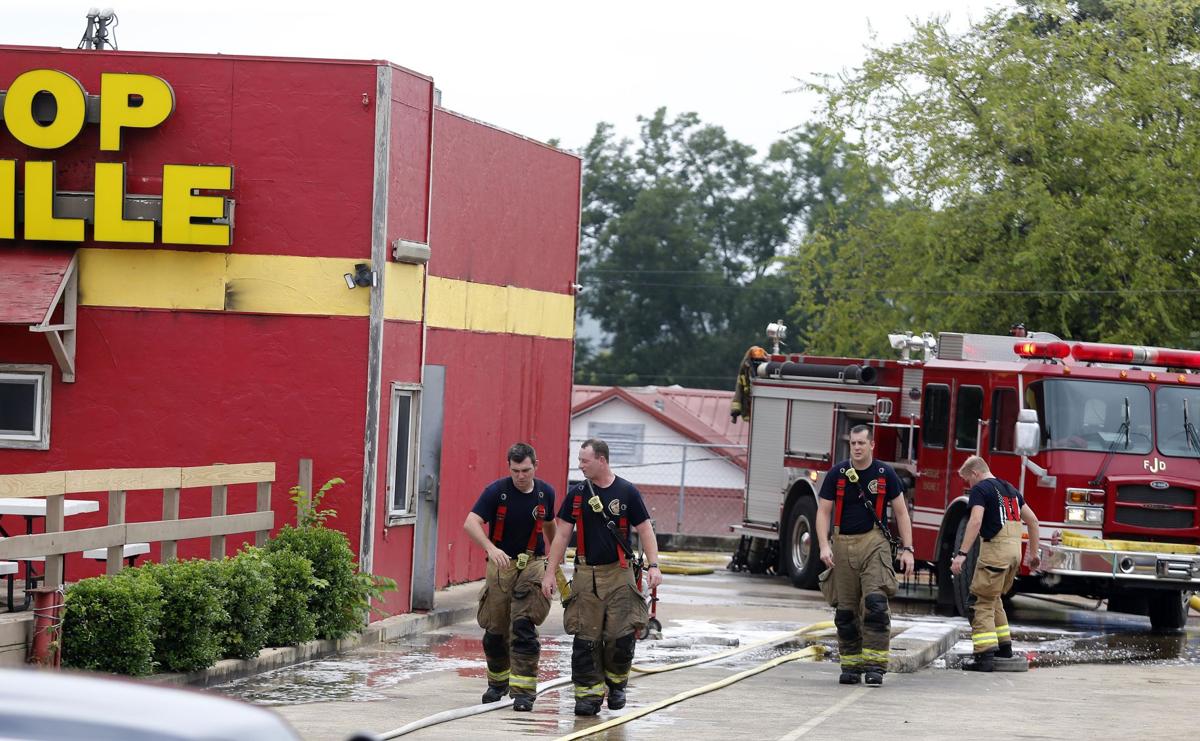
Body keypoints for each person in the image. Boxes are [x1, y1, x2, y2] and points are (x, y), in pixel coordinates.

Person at [540, 438, 662, 716]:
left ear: (602, 460)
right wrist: (550, 573)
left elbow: (645, 530)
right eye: (580, 460)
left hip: (619, 575)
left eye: (585, 460)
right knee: (586, 640)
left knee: (620, 638)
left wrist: (654, 565)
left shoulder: (627, 492)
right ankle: (588, 696)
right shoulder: (577, 494)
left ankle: (617, 686)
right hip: (586, 576)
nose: (580, 465)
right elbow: (561, 536)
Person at [815, 425, 915, 687]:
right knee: (845, 613)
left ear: (872, 446)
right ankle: (851, 665)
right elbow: (823, 512)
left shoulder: (885, 473)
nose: (857, 448)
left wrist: (908, 549)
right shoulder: (837, 473)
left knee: (875, 606)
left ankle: (875, 667)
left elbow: (902, 513)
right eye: (853, 444)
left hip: (875, 545)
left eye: (861, 443)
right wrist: (824, 546)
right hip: (842, 544)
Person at [463, 443, 557, 711]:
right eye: (515, 471)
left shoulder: (545, 493)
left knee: (524, 627)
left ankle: (524, 693)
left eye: (526, 470)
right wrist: (491, 548)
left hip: (533, 564)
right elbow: (471, 523)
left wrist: (556, 562)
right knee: (495, 631)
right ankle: (497, 683)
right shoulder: (496, 492)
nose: (520, 476)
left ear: (535, 465)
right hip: (502, 565)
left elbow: (551, 525)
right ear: (509, 468)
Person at [951, 455, 1041, 672]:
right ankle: (1004, 647)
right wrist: (1034, 553)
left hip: (996, 554)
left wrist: (962, 553)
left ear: (975, 473)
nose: (969, 485)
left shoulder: (981, 489)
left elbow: (975, 521)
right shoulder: (1010, 489)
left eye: (968, 480)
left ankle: (983, 657)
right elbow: (1033, 520)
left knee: (978, 602)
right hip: (1014, 556)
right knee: (994, 598)